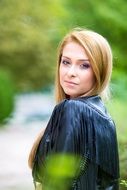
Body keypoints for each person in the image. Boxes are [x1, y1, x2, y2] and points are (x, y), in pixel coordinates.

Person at [28, 28, 120, 190]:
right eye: (66, 62)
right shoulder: (106, 119)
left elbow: (58, 183)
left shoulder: (73, 110)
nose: (70, 73)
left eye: (84, 65)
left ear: (100, 70)